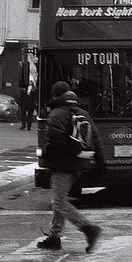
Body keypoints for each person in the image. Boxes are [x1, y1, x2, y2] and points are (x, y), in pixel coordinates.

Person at [37, 81, 104, 252]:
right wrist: (101, 162)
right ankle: (55, 237)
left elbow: (54, 142)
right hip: (79, 163)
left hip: (62, 165)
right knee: (60, 200)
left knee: (58, 203)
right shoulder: (83, 113)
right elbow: (96, 139)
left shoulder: (57, 113)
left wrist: (46, 157)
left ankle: (89, 229)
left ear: (55, 96)